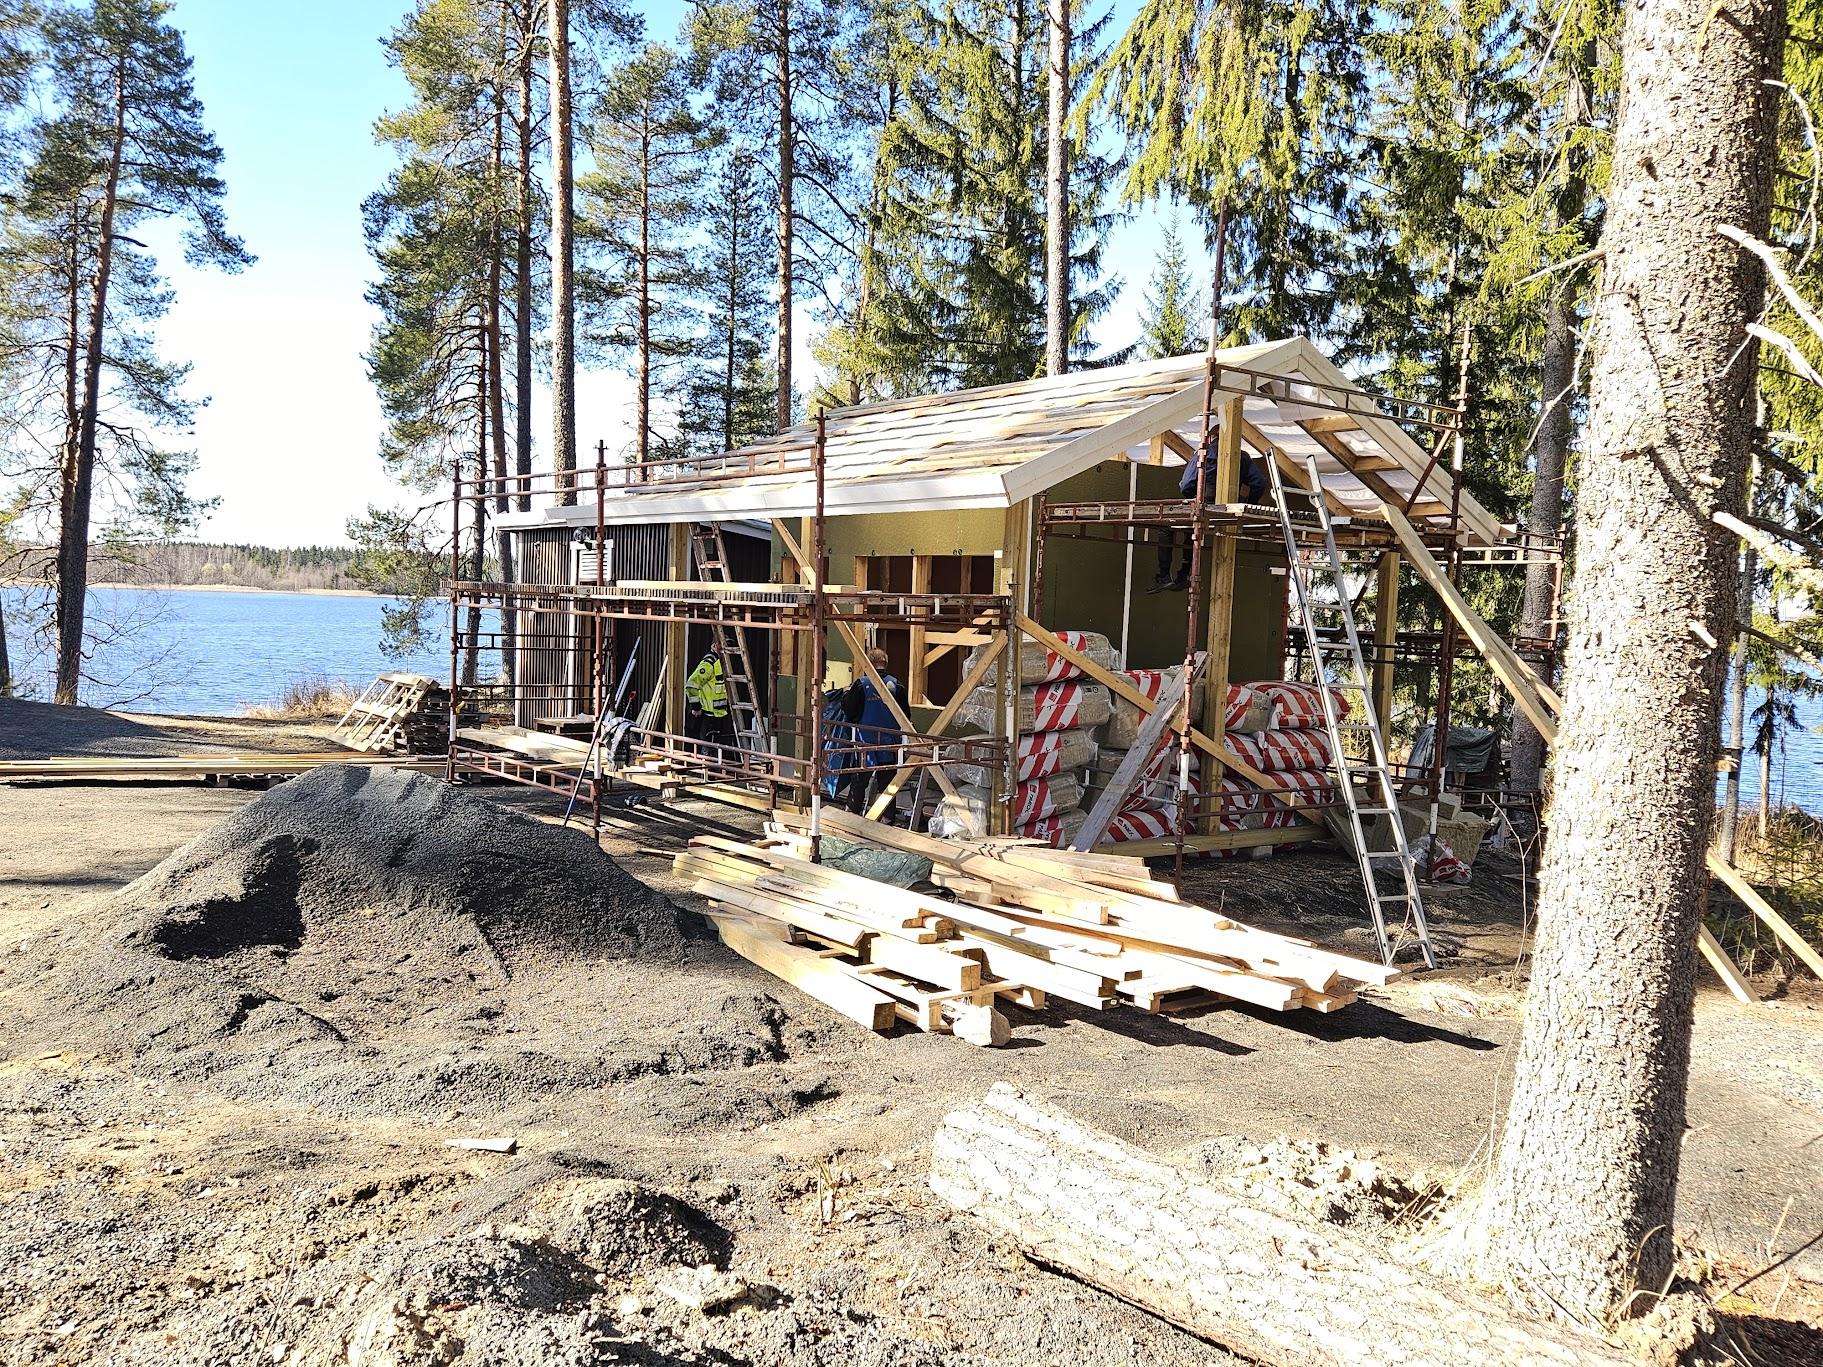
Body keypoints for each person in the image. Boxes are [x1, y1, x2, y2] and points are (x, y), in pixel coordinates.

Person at [1150, 439, 1271, 591]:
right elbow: (1259, 482)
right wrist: (1249, 502)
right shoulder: (1242, 456)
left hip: (1206, 503)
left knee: (1168, 526)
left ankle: (1165, 576)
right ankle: (1184, 574)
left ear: (1211, 438)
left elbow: (1186, 484)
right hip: (1230, 506)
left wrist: (1193, 495)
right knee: (1191, 527)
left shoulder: (1203, 453)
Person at [841, 647, 909, 816]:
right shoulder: (896, 685)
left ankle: (852, 813)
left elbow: (849, 710)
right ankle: (887, 816)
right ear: (885, 663)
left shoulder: (861, 684)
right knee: (888, 783)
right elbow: (906, 715)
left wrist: (846, 694)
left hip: (865, 741)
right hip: (889, 742)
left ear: (869, 663)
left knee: (859, 779)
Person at [684, 650, 734, 747]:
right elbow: (691, 685)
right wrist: (696, 707)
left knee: (718, 750)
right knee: (707, 750)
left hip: (721, 717)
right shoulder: (709, 663)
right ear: (714, 646)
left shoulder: (724, 662)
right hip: (707, 718)